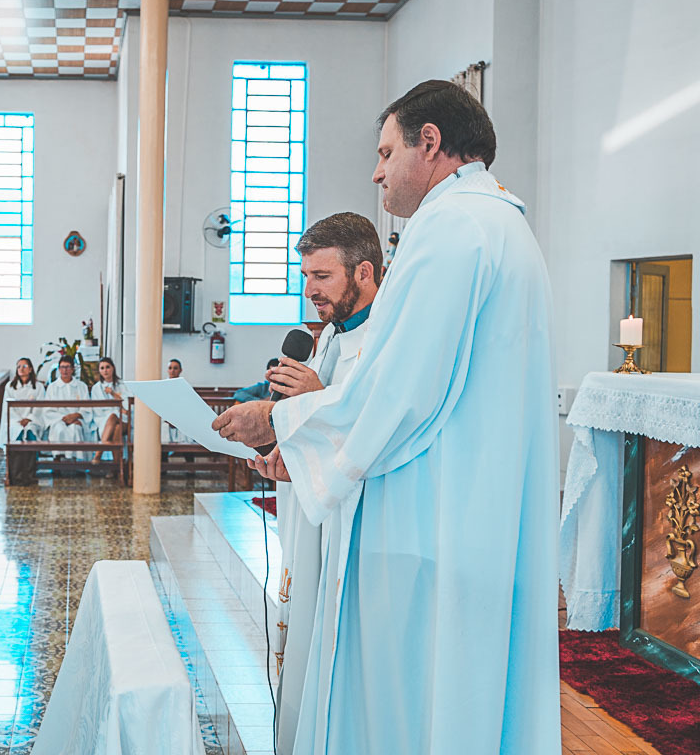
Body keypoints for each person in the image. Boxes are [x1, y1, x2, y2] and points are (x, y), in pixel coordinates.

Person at [213, 80, 560, 754]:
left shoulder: (452, 228)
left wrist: (280, 423)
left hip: (425, 520)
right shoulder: (503, 225)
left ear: (429, 144)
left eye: (385, 151)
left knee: (406, 705)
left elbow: (401, 389)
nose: (376, 172)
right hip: (467, 512)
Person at [259, 211, 382, 753]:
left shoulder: (388, 337)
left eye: (322, 277)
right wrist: (278, 450)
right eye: (306, 276)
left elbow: (371, 427)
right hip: (312, 516)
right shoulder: (331, 335)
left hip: (357, 528)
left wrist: (313, 396)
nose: (310, 290)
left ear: (364, 273)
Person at [0, 357, 44, 483]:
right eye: (19, 366)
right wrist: (19, 420)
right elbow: (7, 407)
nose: (21, 369)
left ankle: (30, 474)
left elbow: (39, 407)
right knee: (16, 434)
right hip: (14, 421)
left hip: (32, 420)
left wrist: (29, 419)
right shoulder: (10, 386)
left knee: (30, 434)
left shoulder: (38, 387)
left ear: (30, 369)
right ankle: (15, 474)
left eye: (24, 366)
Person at [41, 356, 90, 459]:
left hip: (76, 420)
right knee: (59, 429)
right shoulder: (52, 387)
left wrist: (76, 416)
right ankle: (58, 459)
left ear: (73, 369)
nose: (65, 370)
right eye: (62, 367)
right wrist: (64, 418)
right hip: (58, 420)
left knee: (75, 429)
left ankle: (76, 461)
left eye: (68, 367)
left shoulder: (81, 386)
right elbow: (48, 410)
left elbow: (86, 407)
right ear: (59, 369)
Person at [89, 356, 127, 464]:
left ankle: (98, 453)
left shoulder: (122, 385)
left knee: (113, 416)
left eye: (107, 367)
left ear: (113, 368)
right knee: (116, 429)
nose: (105, 370)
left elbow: (127, 407)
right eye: (102, 368)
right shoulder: (97, 388)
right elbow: (97, 409)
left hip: (123, 419)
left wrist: (113, 394)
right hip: (104, 419)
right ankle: (117, 467)